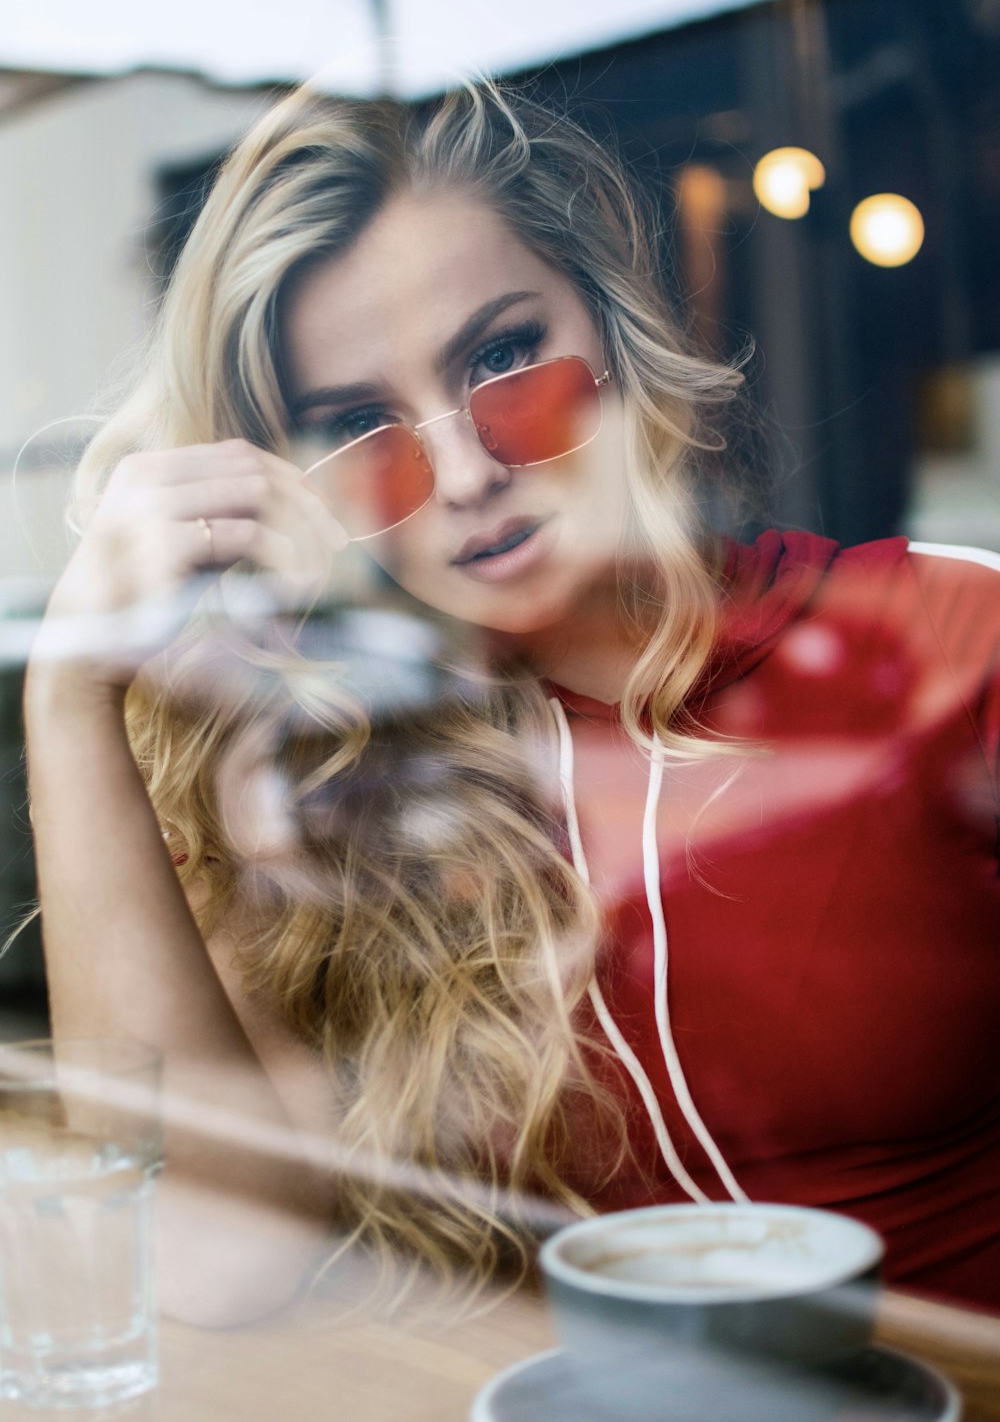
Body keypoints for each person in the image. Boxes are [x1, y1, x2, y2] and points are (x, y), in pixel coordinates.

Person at [23, 83, 1000, 1328]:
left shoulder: (941, 636)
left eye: (501, 358)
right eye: (361, 423)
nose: (471, 472)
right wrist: (68, 694)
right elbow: (218, 1267)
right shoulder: (322, 787)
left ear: (615, 332)